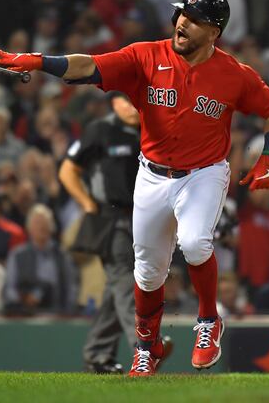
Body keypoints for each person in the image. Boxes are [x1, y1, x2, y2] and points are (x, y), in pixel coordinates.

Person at [0, 0, 269, 375]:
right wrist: (38, 61)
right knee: (147, 272)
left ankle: (208, 322)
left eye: (196, 20)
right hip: (151, 174)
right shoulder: (146, 55)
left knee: (196, 242)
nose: (183, 22)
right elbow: (88, 65)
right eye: (183, 13)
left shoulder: (234, 74)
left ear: (214, 32)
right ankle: (146, 348)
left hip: (204, 173)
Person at [59, 92, 167, 374]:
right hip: (110, 219)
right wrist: (86, 203)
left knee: (115, 291)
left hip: (142, 220)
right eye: (127, 101)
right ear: (114, 103)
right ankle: (144, 347)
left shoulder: (150, 129)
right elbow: (68, 170)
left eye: (137, 101)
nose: (133, 107)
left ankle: (97, 355)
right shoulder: (100, 129)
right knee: (127, 279)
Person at [4, 204, 78, 314]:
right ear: (29, 228)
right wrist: (22, 301)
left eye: (45, 223)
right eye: (37, 223)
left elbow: (71, 287)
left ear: (52, 227)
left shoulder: (62, 256)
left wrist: (68, 312)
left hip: (58, 316)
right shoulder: (17, 255)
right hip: (26, 316)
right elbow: (9, 288)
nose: (41, 227)